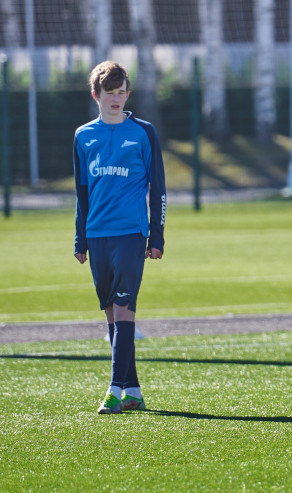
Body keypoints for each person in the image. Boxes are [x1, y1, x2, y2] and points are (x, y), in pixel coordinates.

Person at [73, 61, 166, 414]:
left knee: (125, 309)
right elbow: (81, 192)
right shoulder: (83, 136)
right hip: (97, 235)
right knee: (111, 313)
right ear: (96, 95)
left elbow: (158, 188)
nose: (116, 98)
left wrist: (156, 235)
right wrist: (79, 238)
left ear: (128, 93)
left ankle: (114, 390)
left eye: (122, 92)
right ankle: (134, 392)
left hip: (131, 233)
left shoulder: (144, 132)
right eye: (110, 93)